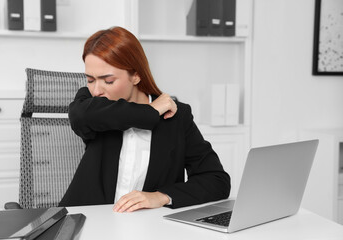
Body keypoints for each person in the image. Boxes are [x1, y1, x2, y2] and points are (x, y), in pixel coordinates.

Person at [59, 26, 231, 212]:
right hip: (88, 220)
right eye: (90, 80)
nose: (97, 90)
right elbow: (79, 115)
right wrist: (150, 112)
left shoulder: (176, 117)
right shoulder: (90, 105)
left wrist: (161, 196)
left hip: (147, 225)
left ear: (136, 75)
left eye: (108, 81)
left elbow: (216, 180)